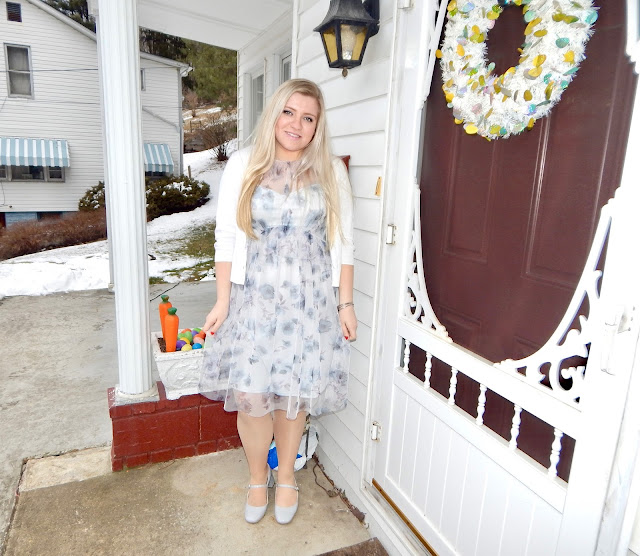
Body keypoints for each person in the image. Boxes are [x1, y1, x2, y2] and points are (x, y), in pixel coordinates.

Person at [200, 78, 357, 525]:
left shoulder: (330, 171)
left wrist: (345, 304)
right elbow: (226, 236)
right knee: (252, 398)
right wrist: (222, 300)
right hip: (254, 301)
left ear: (317, 126)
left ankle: (285, 476)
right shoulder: (244, 163)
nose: (296, 124)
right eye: (289, 112)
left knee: (293, 396)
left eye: (308, 118)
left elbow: (344, 242)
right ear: (273, 114)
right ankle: (257, 478)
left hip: (309, 304)